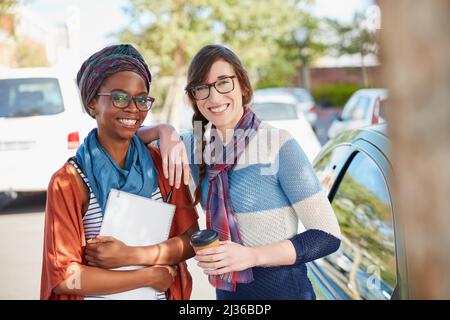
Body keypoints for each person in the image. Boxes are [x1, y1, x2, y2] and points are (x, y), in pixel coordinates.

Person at [138, 44, 341, 300]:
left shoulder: (277, 143)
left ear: (243, 86)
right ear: (194, 98)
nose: (213, 97)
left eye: (223, 82)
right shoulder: (194, 146)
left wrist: (251, 256)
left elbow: (327, 235)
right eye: (202, 88)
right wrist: (163, 130)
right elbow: (119, 138)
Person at [40, 44, 198, 300]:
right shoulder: (69, 181)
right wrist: (146, 276)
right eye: (119, 97)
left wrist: (133, 255)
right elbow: (65, 277)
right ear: (92, 104)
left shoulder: (163, 165)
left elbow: (191, 239)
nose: (133, 108)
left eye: (141, 98)